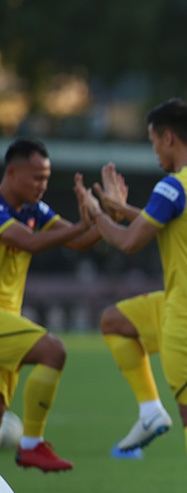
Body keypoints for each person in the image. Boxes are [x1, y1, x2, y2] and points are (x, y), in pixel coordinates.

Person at [75, 99, 187, 493]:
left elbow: (129, 243)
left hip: (185, 315)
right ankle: (150, 410)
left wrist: (99, 214)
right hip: (183, 300)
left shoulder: (171, 187)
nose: (155, 150)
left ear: (168, 136)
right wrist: (121, 212)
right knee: (115, 320)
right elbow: (164, 224)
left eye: (154, 140)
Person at [0, 138, 98, 471]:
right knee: (53, 350)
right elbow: (28, 242)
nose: (43, 185)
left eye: (46, 178)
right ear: (11, 173)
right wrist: (82, 228)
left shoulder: (33, 210)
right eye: (36, 178)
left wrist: (104, 216)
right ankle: (31, 445)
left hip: (7, 322)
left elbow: (80, 240)